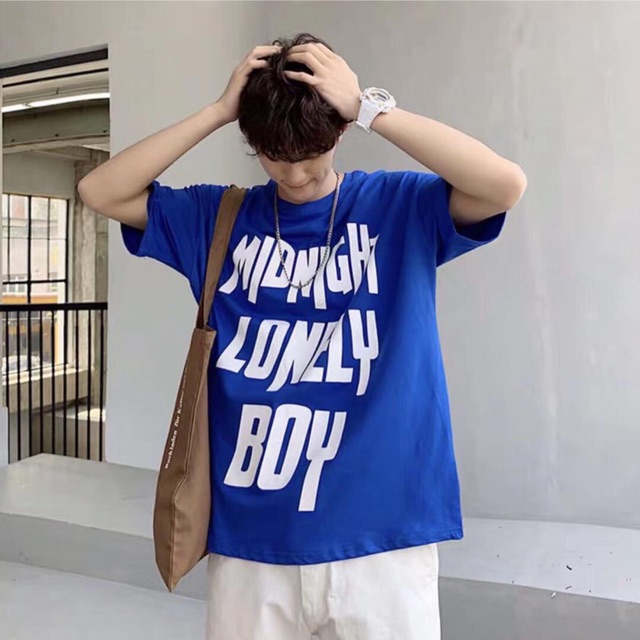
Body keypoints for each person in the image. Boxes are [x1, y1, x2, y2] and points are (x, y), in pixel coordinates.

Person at [79, 32, 526, 640]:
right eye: (272, 153)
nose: (293, 172)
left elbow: (504, 185)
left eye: (310, 152)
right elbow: (99, 191)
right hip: (252, 538)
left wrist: (369, 107)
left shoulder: (397, 207)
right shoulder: (217, 218)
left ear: (339, 131)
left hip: (382, 536)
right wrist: (219, 111)